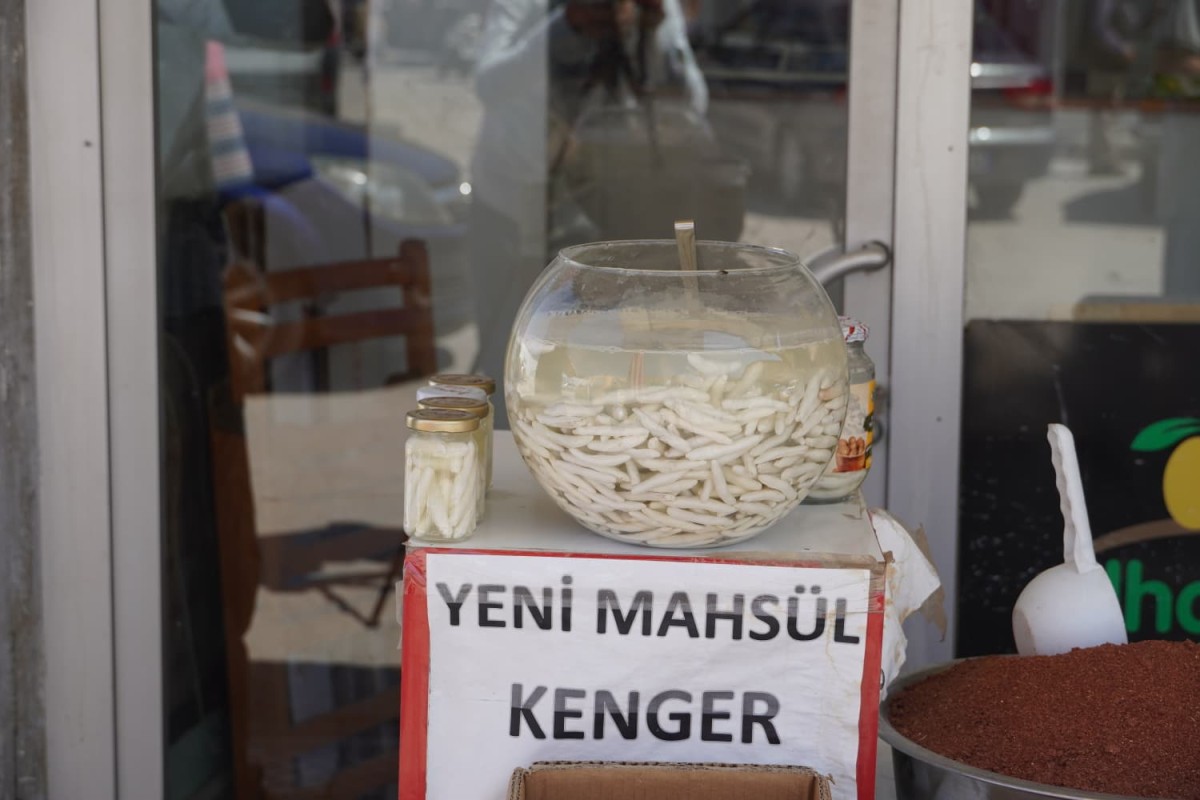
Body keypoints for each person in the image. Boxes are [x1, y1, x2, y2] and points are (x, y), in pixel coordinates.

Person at [467, 0, 707, 424]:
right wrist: (565, 27)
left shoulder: (653, 6)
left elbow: (692, 102)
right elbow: (489, 82)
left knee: (599, 351)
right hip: (512, 200)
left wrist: (651, 34)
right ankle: (505, 439)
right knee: (507, 346)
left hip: (607, 206)